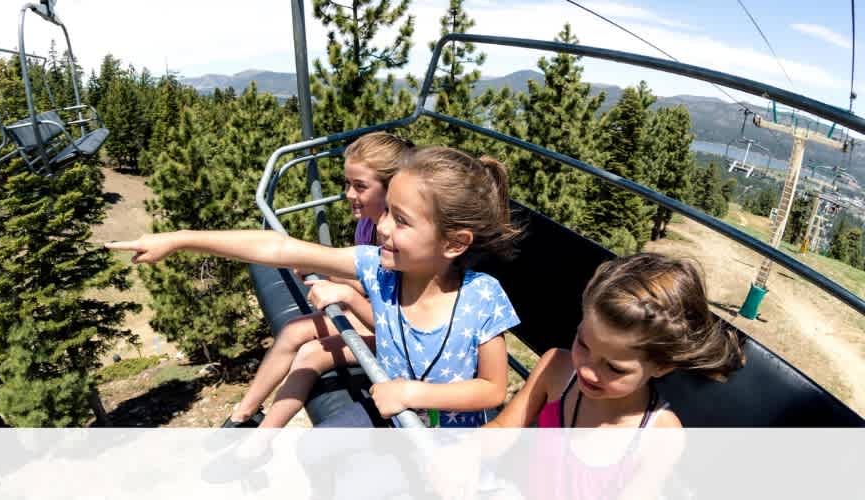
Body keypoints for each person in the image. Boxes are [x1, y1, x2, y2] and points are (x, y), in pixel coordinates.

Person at [106, 146, 522, 429]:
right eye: (388, 212)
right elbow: (280, 247)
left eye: (403, 220)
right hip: (395, 419)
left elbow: (492, 388)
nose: (382, 227)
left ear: (454, 243)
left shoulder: (481, 297)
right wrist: (180, 239)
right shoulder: (378, 270)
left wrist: (414, 392)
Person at [432, 253, 745, 499]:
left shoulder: (660, 436)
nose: (587, 370)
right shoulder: (556, 369)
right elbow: (503, 429)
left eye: (614, 368)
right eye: (583, 343)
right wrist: (465, 451)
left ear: (662, 366)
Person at [223, 132, 415, 428]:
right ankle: (243, 415)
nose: (348, 194)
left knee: (312, 352)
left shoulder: (399, 243)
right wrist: (334, 275)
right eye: (346, 184)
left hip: (398, 334)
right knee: (293, 331)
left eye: (360, 186)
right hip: (377, 312)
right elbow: (370, 283)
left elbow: (392, 314)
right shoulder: (368, 224)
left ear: (391, 189)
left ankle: (262, 437)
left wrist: (343, 289)